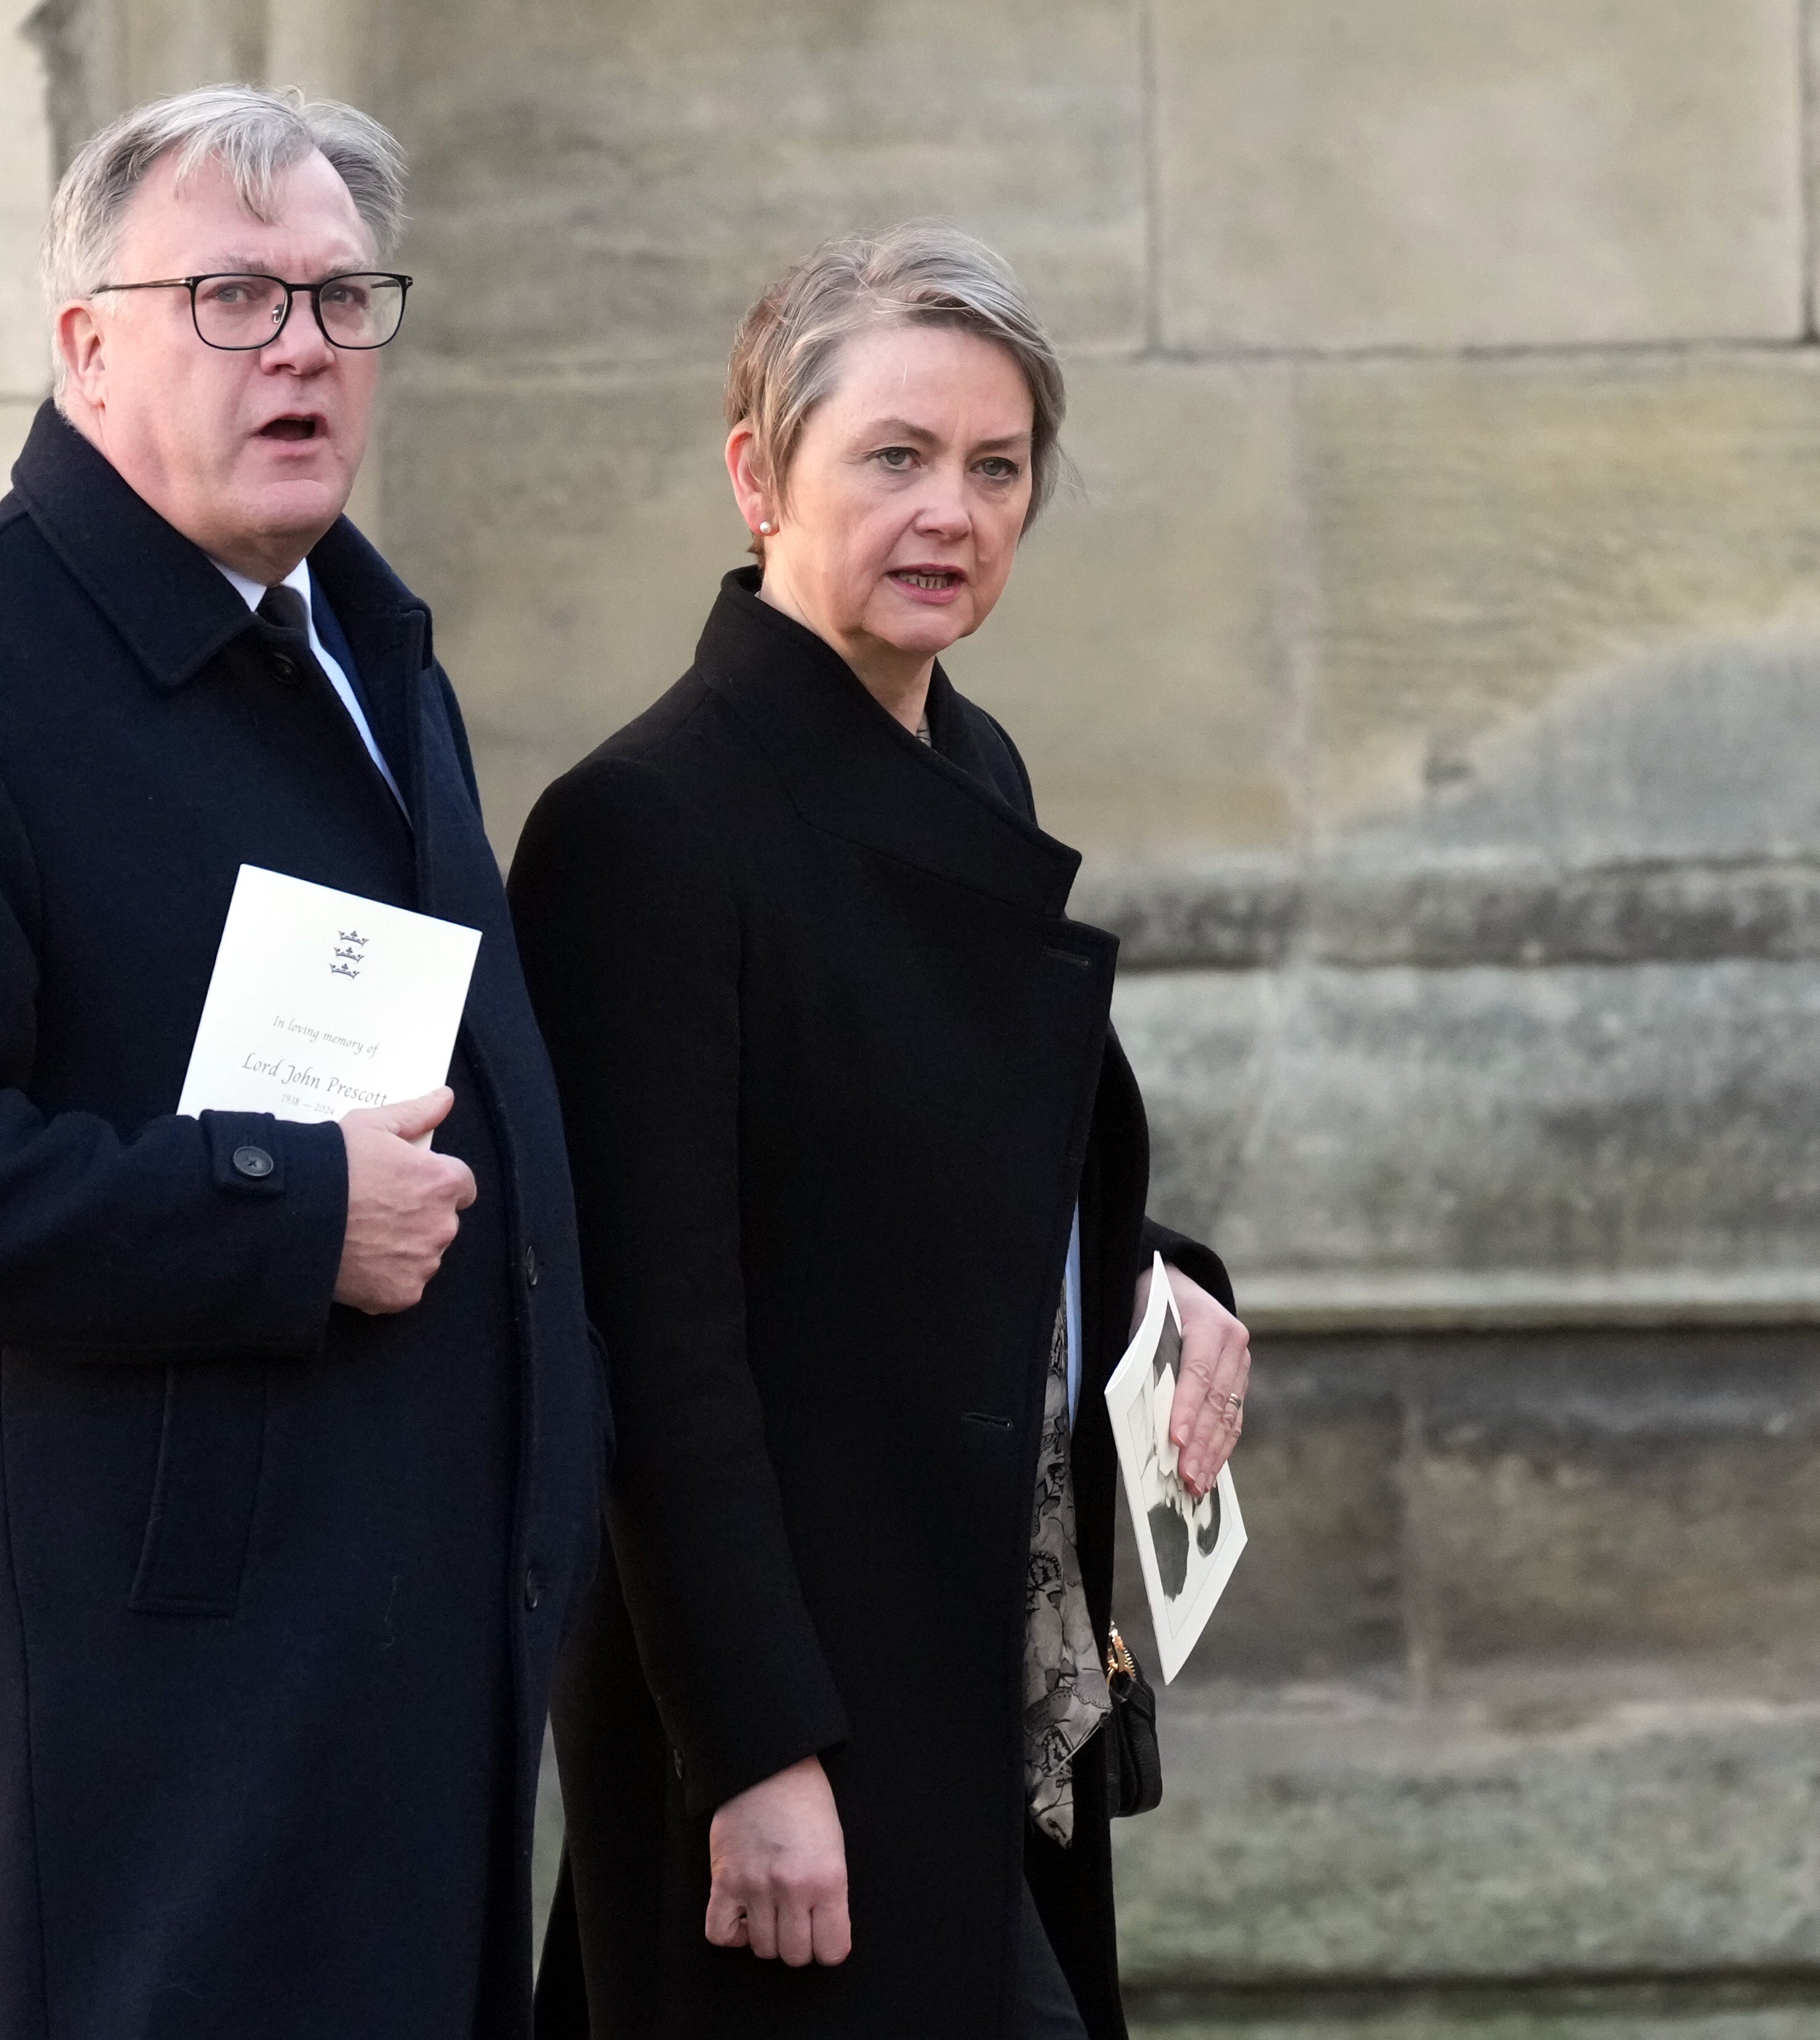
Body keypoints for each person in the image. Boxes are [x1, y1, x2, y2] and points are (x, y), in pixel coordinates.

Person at [0, 85, 599, 2040]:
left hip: (384, 1677)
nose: (300, 345)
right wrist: (291, 1214)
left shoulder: (375, 657)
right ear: (88, 343)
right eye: (230, 297)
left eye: (339, 300)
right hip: (133, 1741)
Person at [512, 224, 1256, 2040]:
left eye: (996, 469)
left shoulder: (968, 765)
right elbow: (655, 1352)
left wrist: (1169, 1289)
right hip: (792, 1723)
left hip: (974, 1678)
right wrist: (755, 1755)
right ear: (760, 473)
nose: (955, 513)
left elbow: (976, 1185)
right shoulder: (643, 827)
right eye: (897, 458)